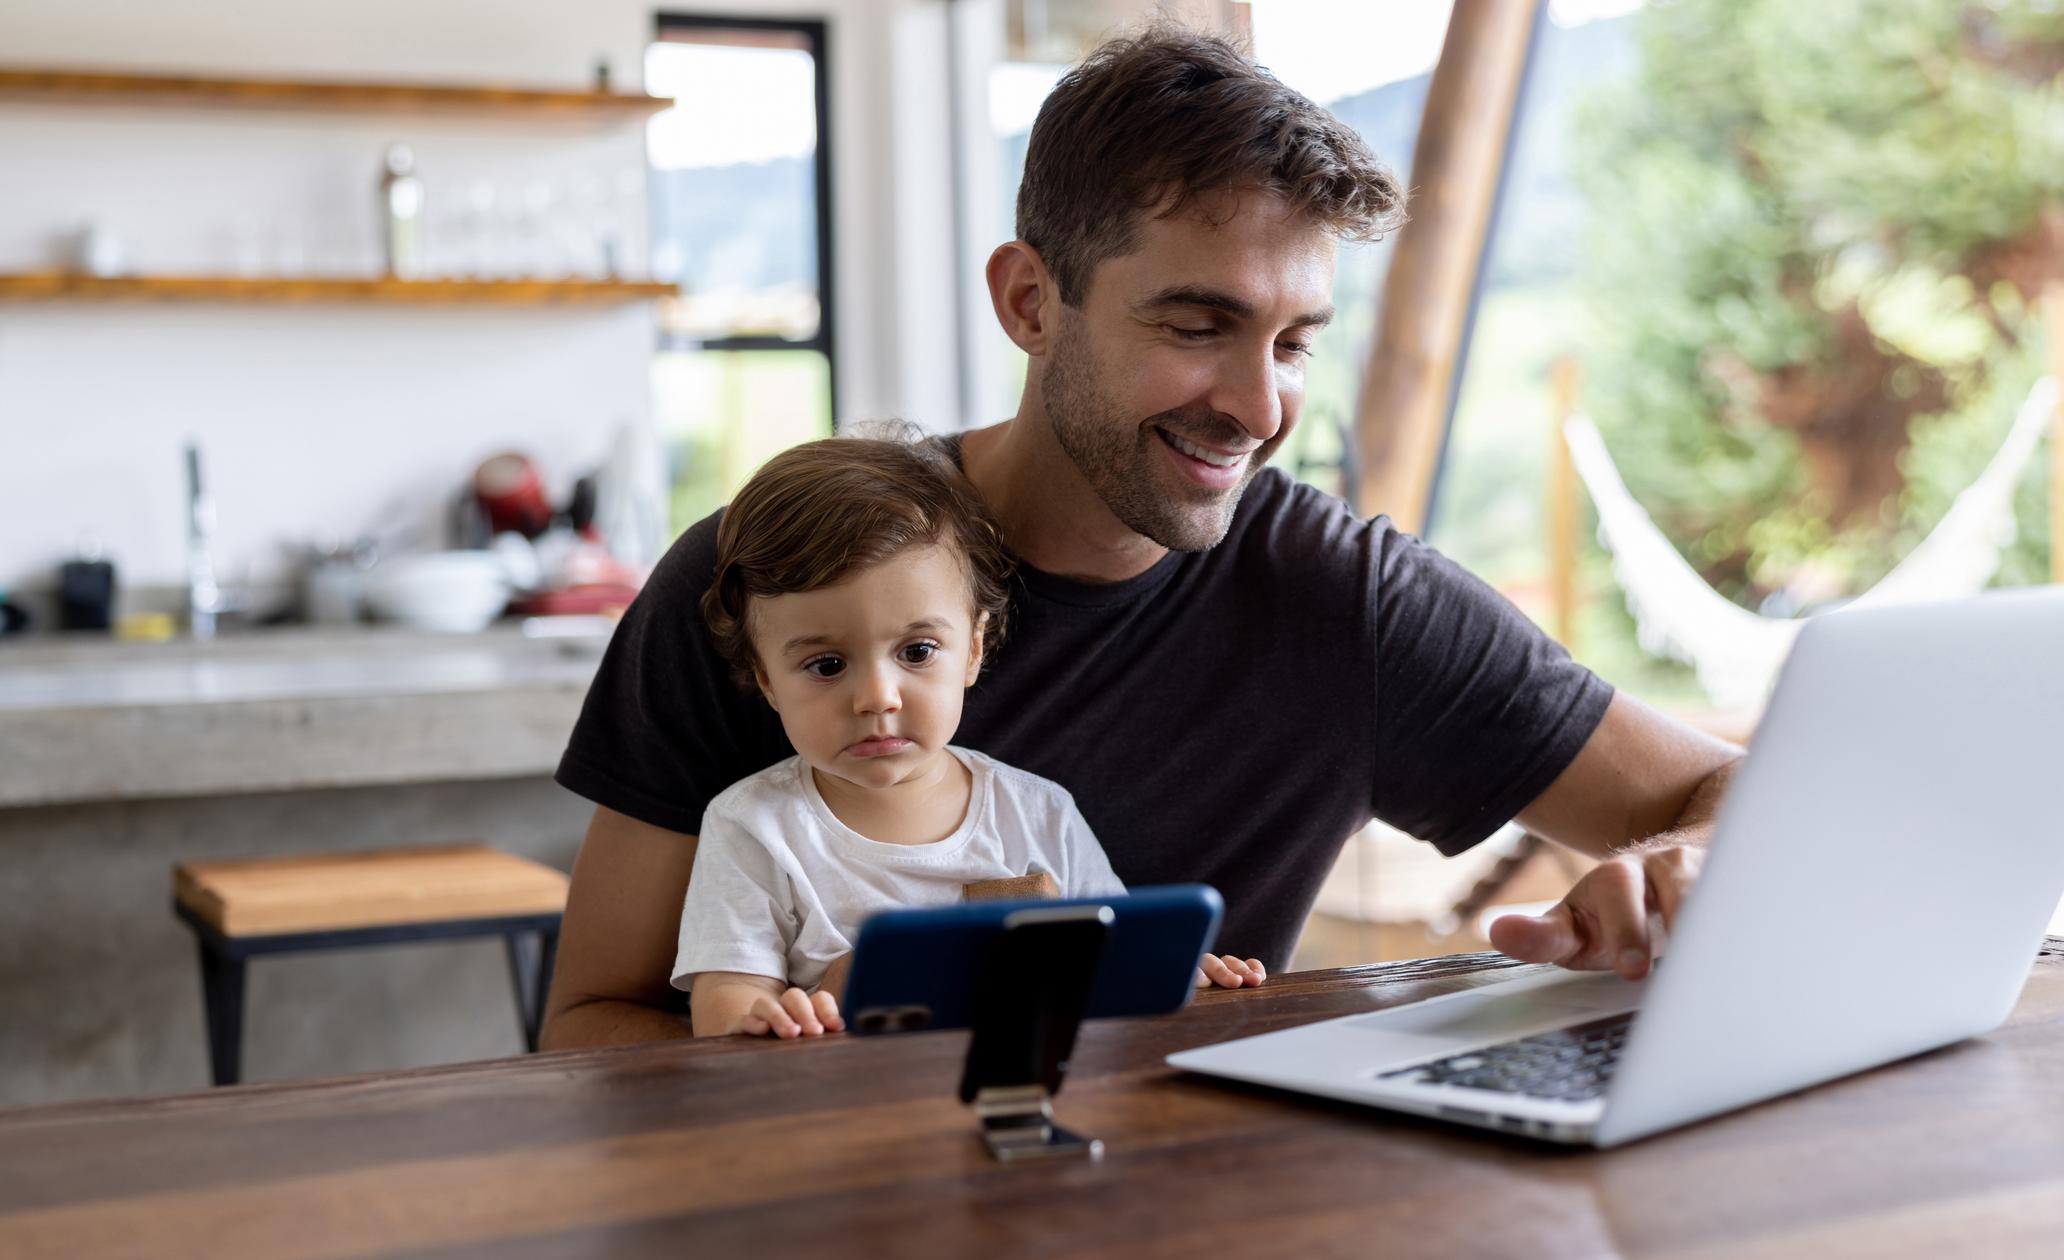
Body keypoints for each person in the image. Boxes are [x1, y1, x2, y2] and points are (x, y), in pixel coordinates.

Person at [543, 27, 1741, 1049]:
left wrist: (1682, 864)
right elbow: (590, 1029)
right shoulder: (771, 573)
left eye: (1291, 341)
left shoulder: (1347, 602)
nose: (1261, 407)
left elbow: (1723, 788)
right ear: (1028, 302)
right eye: (1196, 323)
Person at [679, 436, 1266, 1039]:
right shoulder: (754, 827)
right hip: (842, 1116)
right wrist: (799, 1009)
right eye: (827, 665)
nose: (878, 696)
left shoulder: (1036, 814)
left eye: (917, 651)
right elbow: (722, 1020)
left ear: (974, 649)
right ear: (767, 680)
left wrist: (1181, 973)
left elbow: (1107, 959)